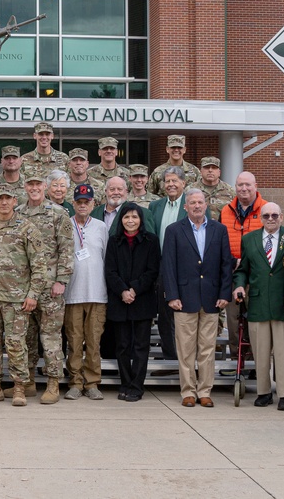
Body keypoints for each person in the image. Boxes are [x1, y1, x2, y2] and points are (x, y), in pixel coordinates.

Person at [162, 189, 233, 407]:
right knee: (185, 349)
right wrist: (172, 295)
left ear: (206, 205)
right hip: (184, 298)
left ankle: (204, 390)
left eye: (200, 202)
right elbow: (168, 265)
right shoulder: (174, 230)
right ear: (186, 207)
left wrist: (224, 293)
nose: (196, 206)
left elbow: (225, 264)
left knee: (207, 348)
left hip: (212, 298)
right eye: (192, 202)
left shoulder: (219, 230)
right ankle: (188, 392)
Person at [0, 184, 46, 406]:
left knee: (16, 343)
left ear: (15, 201)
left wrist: (33, 294)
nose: (4, 202)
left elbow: (39, 264)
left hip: (16, 298)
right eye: (0, 198)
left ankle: (19, 387)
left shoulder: (27, 228)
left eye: (8, 198)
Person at [16, 171, 74, 403]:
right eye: (30, 184)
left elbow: (67, 249)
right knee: (26, 337)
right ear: (25, 186)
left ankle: (52, 384)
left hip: (50, 287)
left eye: (38, 183)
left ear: (46, 186)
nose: (34, 187)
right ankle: (28, 382)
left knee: (50, 337)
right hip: (23, 287)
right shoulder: (17, 213)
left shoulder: (58, 213)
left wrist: (62, 280)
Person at [232, 202, 284, 410]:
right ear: (260, 218)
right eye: (267, 215)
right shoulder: (249, 239)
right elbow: (242, 270)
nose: (271, 219)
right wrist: (239, 286)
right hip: (258, 302)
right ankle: (263, 391)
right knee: (260, 350)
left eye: (275, 215)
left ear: (282, 216)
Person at [104, 201, 160, 402]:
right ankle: (125, 383)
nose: (130, 221)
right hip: (120, 301)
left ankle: (137, 386)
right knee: (123, 346)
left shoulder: (151, 241)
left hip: (142, 301)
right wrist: (123, 291)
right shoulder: (114, 241)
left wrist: (134, 289)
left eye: (134, 217)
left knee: (140, 347)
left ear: (141, 220)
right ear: (121, 220)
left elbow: (153, 270)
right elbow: (109, 271)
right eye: (127, 217)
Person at [63, 184, 108, 402]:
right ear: (74, 204)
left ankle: (92, 383)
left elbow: (107, 258)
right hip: (73, 294)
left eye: (86, 202)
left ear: (93, 204)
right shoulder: (65, 225)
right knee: (74, 341)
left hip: (98, 294)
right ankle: (75, 383)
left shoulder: (101, 227)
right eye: (79, 202)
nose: (83, 205)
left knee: (93, 342)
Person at [219, 171, 267, 360]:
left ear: (256, 186)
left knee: (255, 320)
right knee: (232, 319)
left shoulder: (266, 210)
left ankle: (257, 361)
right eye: (240, 185)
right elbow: (220, 243)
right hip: (232, 272)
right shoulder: (225, 211)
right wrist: (233, 261)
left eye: (248, 185)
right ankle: (236, 359)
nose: (244, 189)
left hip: (257, 275)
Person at [144, 167, 189, 361]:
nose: (170, 185)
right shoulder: (155, 206)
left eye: (175, 181)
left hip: (184, 270)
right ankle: (171, 359)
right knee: (164, 316)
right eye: (167, 181)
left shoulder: (191, 204)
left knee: (183, 317)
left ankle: (186, 361)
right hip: (160, 268)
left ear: (183, 183)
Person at [195, 156, 234, 221]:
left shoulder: (230, 191)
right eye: (207, 168)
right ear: (201, 171)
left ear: (219, 172)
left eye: (214, 168)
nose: (210, 170)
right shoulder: (191, 190)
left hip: (222, 229)